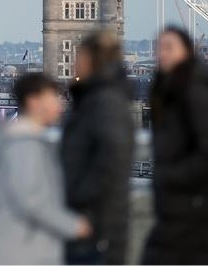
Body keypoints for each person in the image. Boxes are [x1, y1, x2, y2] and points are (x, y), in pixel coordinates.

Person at [0, 73, 91, 265]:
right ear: (33, 101)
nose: (60, 103)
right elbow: (31, 200)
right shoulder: (24, 145)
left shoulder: (20, 140)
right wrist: (75, 226)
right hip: (22, 253)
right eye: (53, 97)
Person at [142, 27, 208, 264]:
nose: (162, 53)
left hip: (193, 207)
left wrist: (171, 176)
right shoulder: (168, 91)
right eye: (159, 47)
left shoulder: (195, 91)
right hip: (177, 208)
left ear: (188, 52)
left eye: (169, 47)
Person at [61, 31, 135, 265]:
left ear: (93, 61)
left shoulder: (105, 102)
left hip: (93, 228)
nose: (74, 63)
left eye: (79, 57)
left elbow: (112, 164)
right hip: (89, 225)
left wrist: (75, 195)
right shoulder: (95, 98)